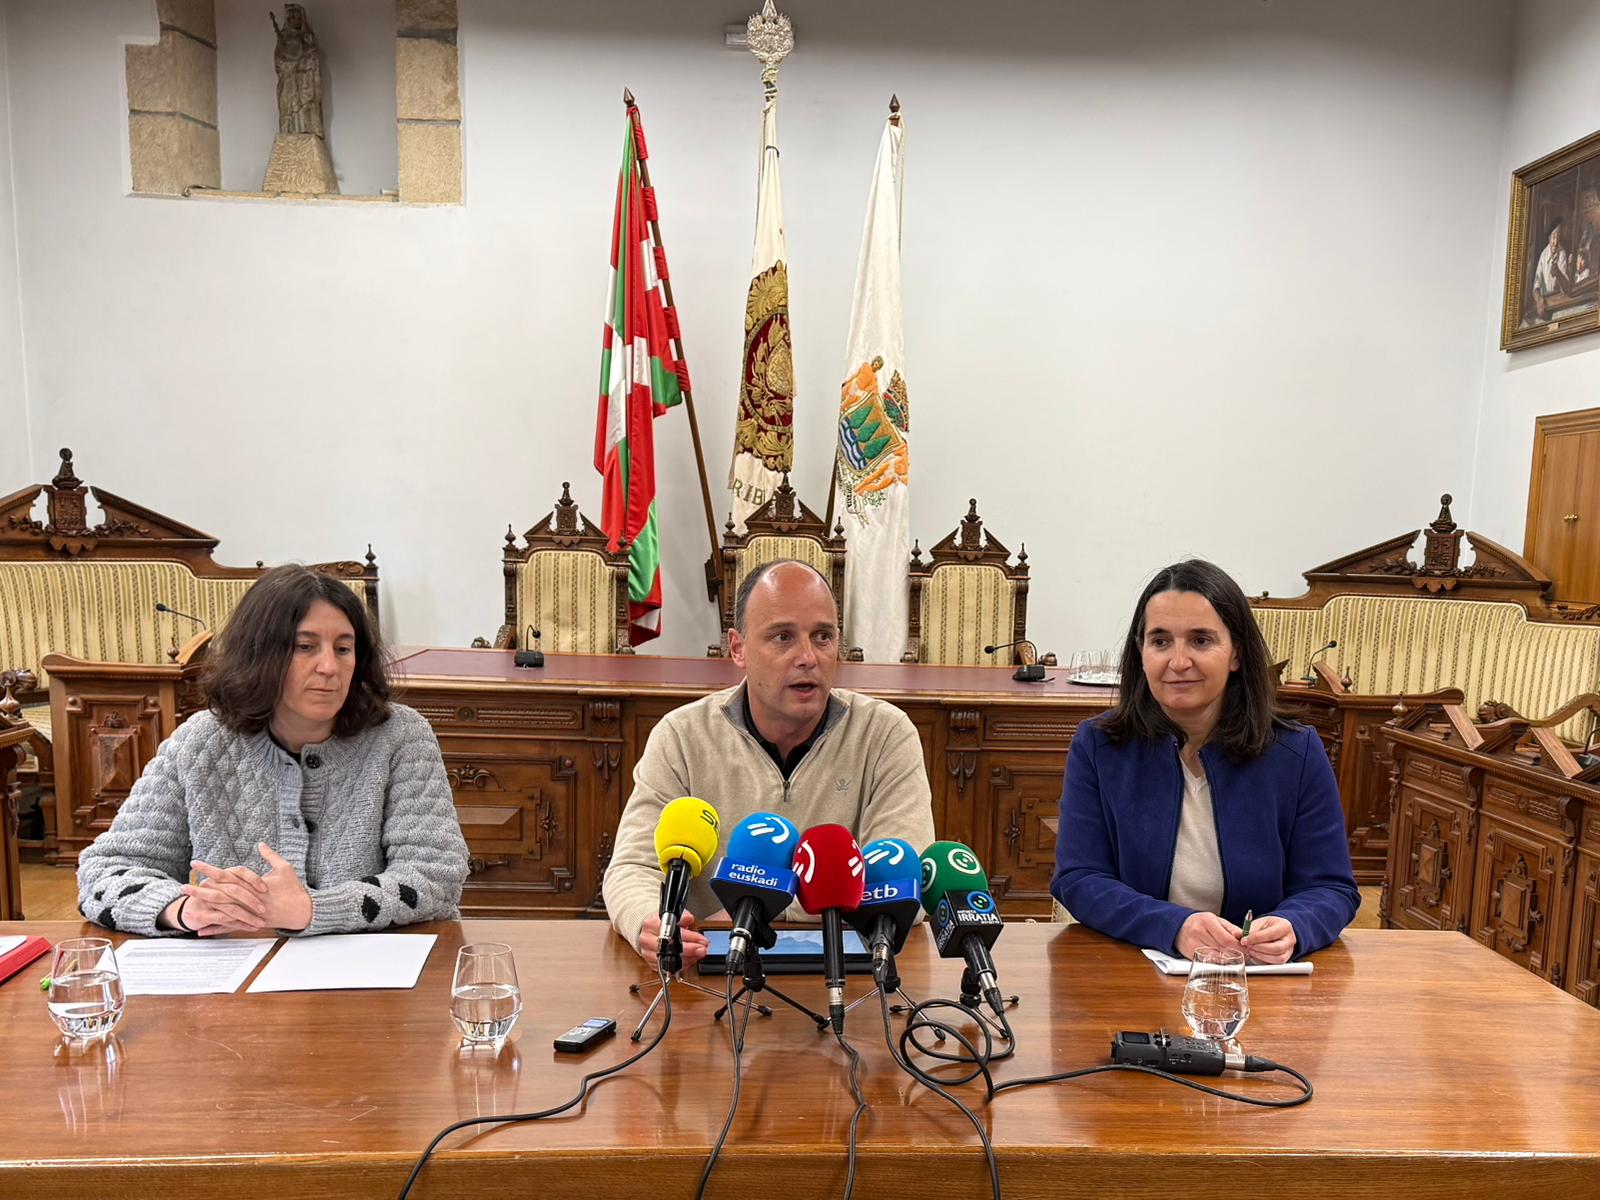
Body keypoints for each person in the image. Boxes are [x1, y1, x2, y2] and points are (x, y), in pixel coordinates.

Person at [76, 565, 469, 937]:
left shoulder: (400, 735)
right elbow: (105, 870)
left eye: (344, 649)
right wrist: (181, 908)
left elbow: (436, 876)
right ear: (260, 654)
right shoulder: (201, 741)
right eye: (305, 646)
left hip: (373, 982)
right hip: (236, 983)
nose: (330, 667)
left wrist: (315, 910)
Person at [602, 559, 935, 969]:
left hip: (852, 978)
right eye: (783, 637)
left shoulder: (885, 735)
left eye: (823, 637)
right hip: (712, 974)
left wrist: (750, 914)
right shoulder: (681, 737)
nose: (808, 657)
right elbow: (632, 867)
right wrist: (647, 920)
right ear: (738, 648)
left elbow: (902, 890)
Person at [1051, 559, 1358, 963]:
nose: (1178, 662)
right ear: (1141, 653)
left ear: (1236, 654)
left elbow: (1332, 888)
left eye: (1200, 640)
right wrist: (1174, 926)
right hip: (1134, 967)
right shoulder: (1099, 745)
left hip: (1256, 980)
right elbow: (1079, 878)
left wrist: (1294, 927)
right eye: (1160, 641)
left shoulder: (1296, 752)